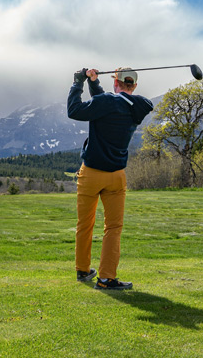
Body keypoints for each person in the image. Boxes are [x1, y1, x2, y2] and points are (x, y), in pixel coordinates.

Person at [67, 67, 153, 290]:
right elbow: (110, 103)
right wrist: (94, 85)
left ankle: (83, 270)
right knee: (113, 228)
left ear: (115, 83)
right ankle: (106, 279)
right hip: (116, 176)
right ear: (133, 86)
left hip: (91, 173)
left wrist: (78, 82)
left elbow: (74, 110)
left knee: (85, 224)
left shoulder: (106, 102)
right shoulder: (139, 107)